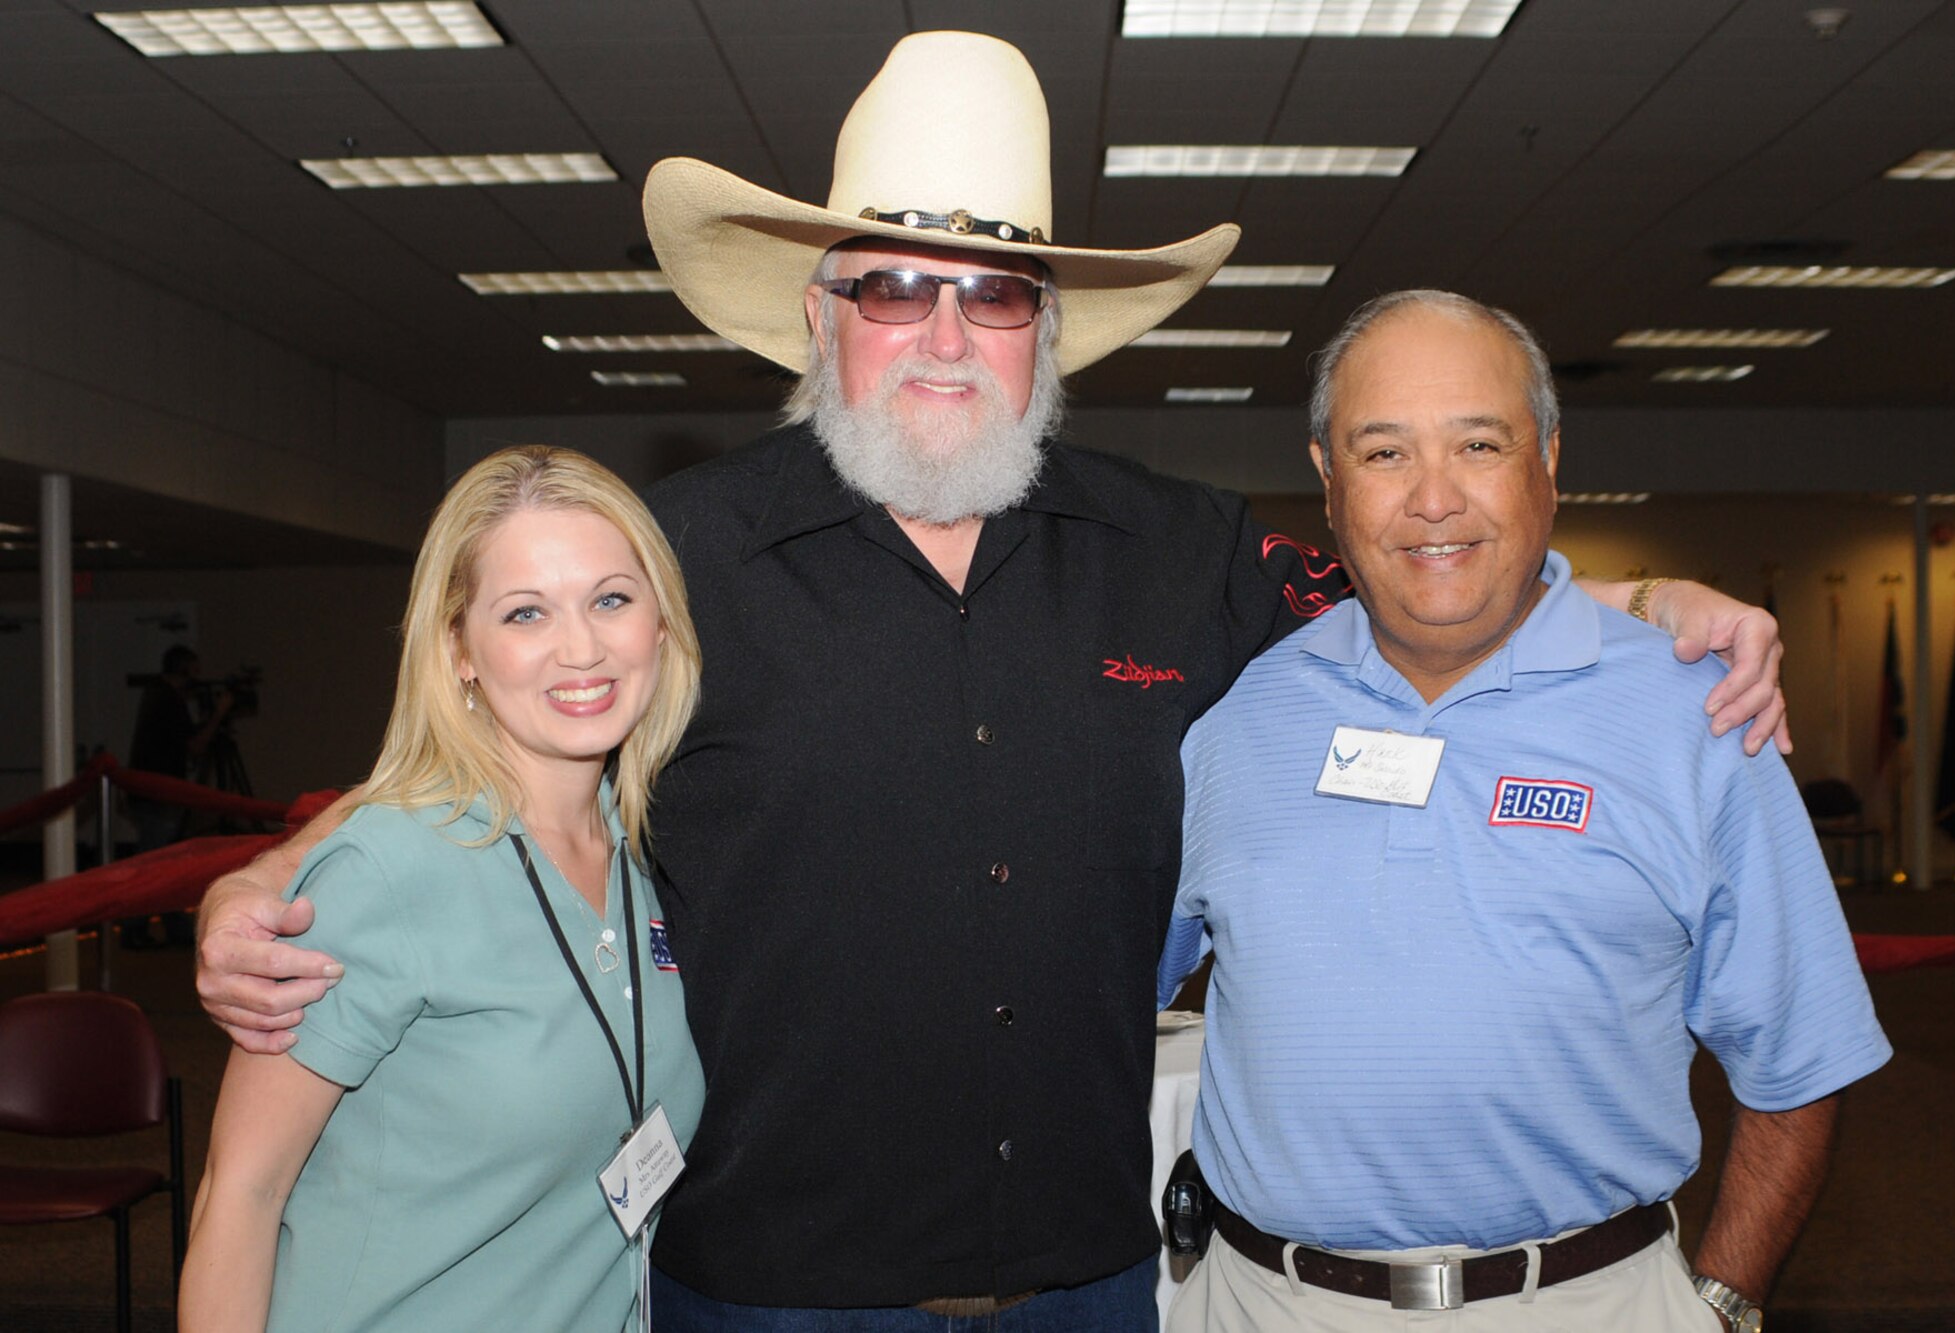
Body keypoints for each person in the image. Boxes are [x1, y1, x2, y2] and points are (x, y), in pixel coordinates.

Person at [194, 34, 1792, 1331]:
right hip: (766, 1293)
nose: (943, 333)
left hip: (1094, 1286)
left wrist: (1649, 595)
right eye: (893, 286)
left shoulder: (1183, 555)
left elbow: (1410, 593)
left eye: (995, 293)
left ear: (1050, 334)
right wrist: (269, 879)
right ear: (823, 317)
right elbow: (489, 741)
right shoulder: (676, 559)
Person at [1157, 291, 1891, 1333]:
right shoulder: (1236, 717)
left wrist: (1723, 1305)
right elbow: (1100, 984)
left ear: (1545, 458)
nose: (1432, 499)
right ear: (1327, 480)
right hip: (1256, 1305)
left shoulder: (1694, 718)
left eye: (1477, 443)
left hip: (1580, 1305)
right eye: (1382, 453)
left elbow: (1798, 1055)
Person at [180, 447, 705, 1331]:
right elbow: (242, 1192)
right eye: (525, 612)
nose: (581, 647)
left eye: (611, 598)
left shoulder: (644, 850)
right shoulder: (386, 870)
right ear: (459, 649)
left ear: (660, 621)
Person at [119, 644, 231, 947]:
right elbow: (195, 745)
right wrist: (218, 715)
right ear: (183, 670)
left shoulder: (157, 695)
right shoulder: (168, 700)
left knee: (157, 862)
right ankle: (135, 929)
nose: (197, 678)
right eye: (194, 670)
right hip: (158, 797)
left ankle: (163, 926)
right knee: (155, 867)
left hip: (151, 793)